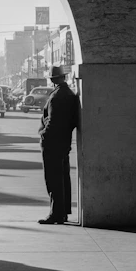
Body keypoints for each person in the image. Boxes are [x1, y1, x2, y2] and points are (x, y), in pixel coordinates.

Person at [37, 66, 79, 225]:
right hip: (63, 141)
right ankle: (62, 212)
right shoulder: (69, 94)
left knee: (53, 179)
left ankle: (56, 213)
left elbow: (52, 122)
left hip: (52, 143)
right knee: (63, 179)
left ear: (54, 80)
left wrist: (44, 135)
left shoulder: (56, 96)